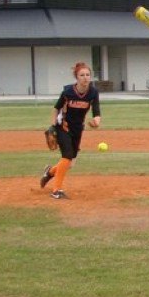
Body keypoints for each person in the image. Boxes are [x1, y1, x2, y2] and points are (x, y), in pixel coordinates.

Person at [40, 61, 101, 200]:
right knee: (66, 157)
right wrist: (53, 123)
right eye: (82, 75)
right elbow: (56, 108)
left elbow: (96, 110)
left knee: (70, 164)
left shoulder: (93, 92)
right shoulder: (68, 92)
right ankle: (56, 191)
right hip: (63, 127)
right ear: (77, 77)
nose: (85, 77)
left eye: (88, 75)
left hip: (78, 129)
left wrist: (96, 120)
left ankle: (49, 172)